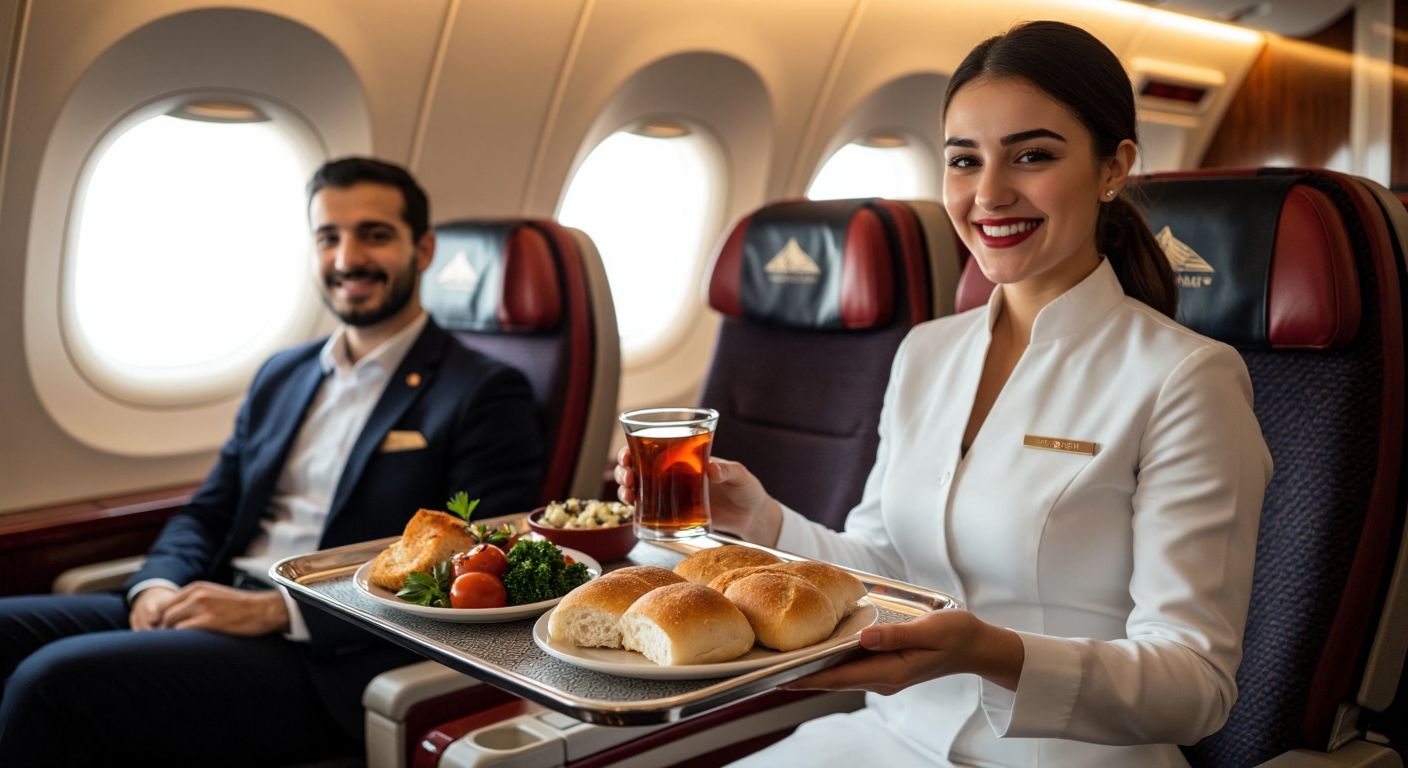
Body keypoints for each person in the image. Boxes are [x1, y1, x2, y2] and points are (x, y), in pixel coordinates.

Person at [617, 21, 1272, 767]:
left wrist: (989, 653)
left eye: (1032, 156)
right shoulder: (926, 352)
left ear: (1113, 168)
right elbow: (885, 563)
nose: (989, 193)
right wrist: (760, 519)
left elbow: (1195, 685)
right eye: (965, 160)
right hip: (888, 735)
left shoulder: (1185, 378)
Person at [0, 157, 545, 766]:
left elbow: (480, 566)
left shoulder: (483, 390)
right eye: (328, 237)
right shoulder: (283, 373)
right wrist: (156, 586)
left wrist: (276, 609)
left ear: (421, 251)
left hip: (321, 653)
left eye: (374, 234)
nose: (346, 259)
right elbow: (211, 509)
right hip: (212, 597)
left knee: (51, 686)